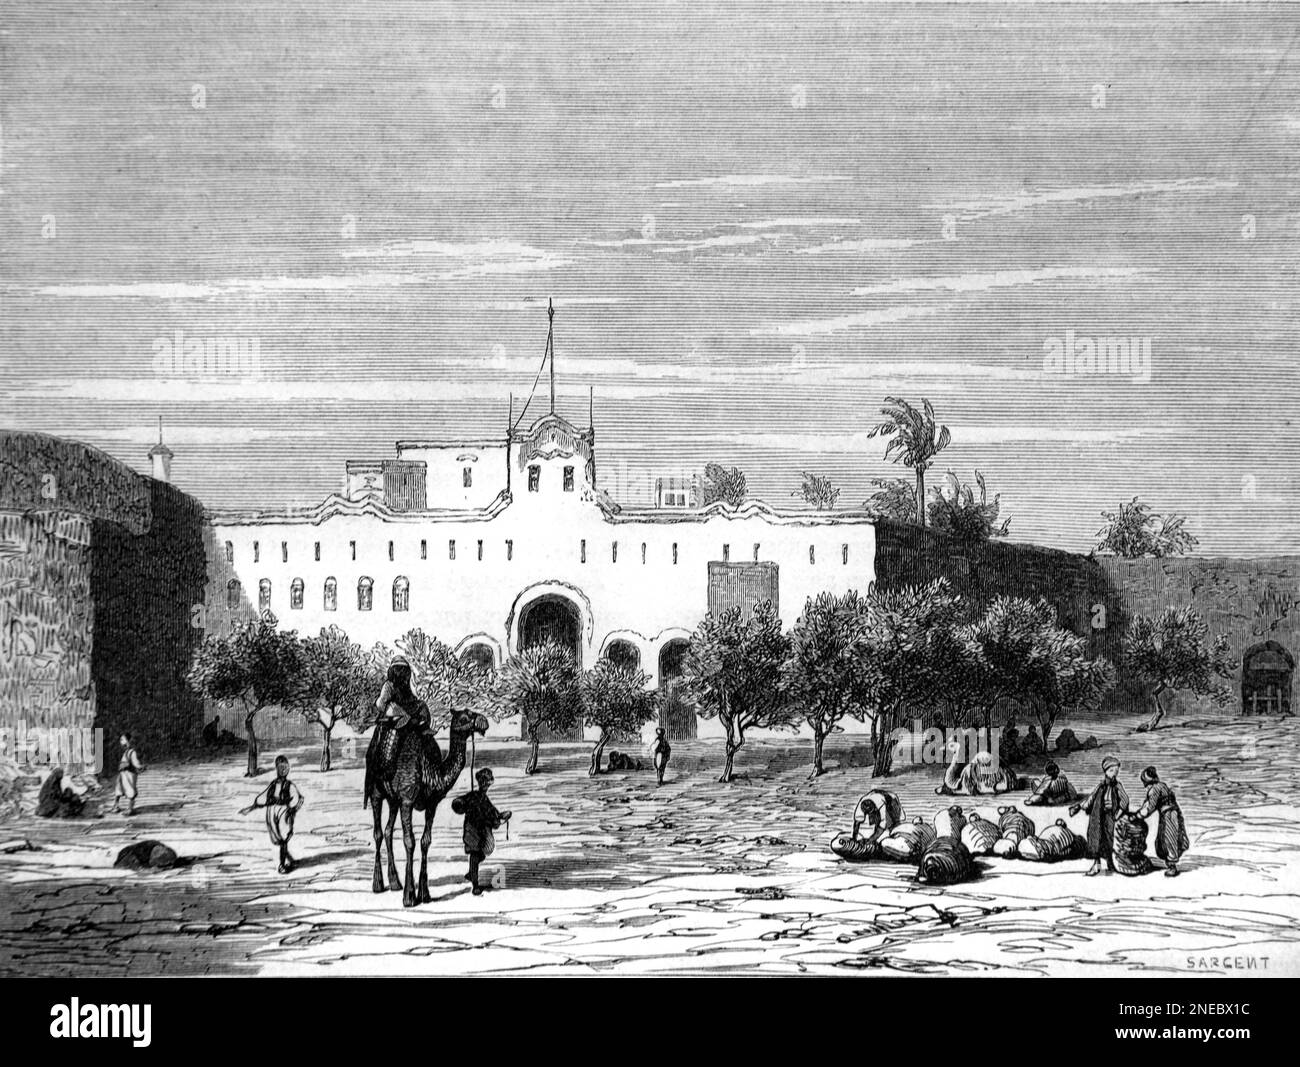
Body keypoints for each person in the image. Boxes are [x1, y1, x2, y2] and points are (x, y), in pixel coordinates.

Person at [451, 768, 511, 895]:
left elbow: (494, 816)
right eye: (487, 783)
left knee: (479, 855)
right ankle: (475, 885)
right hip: (474, 833)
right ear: (483, 783)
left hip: (475, 832)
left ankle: (472, 873)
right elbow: (458, 804)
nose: (487, 786)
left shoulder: (480, 797)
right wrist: (500, 819)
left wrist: (501, 817)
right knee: (476, 856)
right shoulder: (476, 797)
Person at [241, 756, 305, 873]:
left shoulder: (290, 785)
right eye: (281, 767)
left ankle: (282, 865)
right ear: (277, 768)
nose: (283, 770)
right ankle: (288, 859)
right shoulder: (273, 784)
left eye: (286, 767)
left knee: (284, 838)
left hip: (283, 812)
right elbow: (263, 797)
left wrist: (292, 809)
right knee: (279, 839)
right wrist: (252, 807)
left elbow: (298, 799)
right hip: (271, 812)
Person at [1070, 755, 1129, 876]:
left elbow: (1125, 800)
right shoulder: (1101, 786)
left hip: (1111, 817)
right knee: (1096, 839)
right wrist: (1078, 807)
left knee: (1110, 839)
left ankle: (1111, 863)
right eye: (1112, 770)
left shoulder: (1118, 786)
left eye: (1116, 771)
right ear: (1106, 771)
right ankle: (1096, 865)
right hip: (1098, 816)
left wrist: (1118, 813)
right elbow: (1090, 798)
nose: (1114, 773)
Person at [1134, 766, 1190, 877]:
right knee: (1165, 838)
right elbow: (1148, 803)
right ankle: (1170, 863)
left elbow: (1149, 807)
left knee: (1169, 839)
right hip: (1171, 814)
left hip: (1169, 815)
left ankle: (1172, 867)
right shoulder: (1161, 785)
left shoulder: (1155, 789)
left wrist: (1138, 816)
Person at [374, 657, 430, 733]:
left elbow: (411, 698)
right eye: (399, 670)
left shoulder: (405, 685)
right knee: (405, 717)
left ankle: (424, 728)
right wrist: (391, 710)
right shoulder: (389, 685)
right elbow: (381, 703)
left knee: (422, 705)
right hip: (394, 711)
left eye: (404, 671)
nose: (401, 673)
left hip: (406, 708)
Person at [112, 733, 144, 816]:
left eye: (122, 739)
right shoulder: (126, 751)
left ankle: (130, 809)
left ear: (128, 741)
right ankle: (116, 806)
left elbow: (135, 762)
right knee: (118, 789)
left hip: (129, 774)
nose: (121, 742)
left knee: (130, 790)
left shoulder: (132, 752)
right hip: (122, 774)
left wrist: (139, 767)